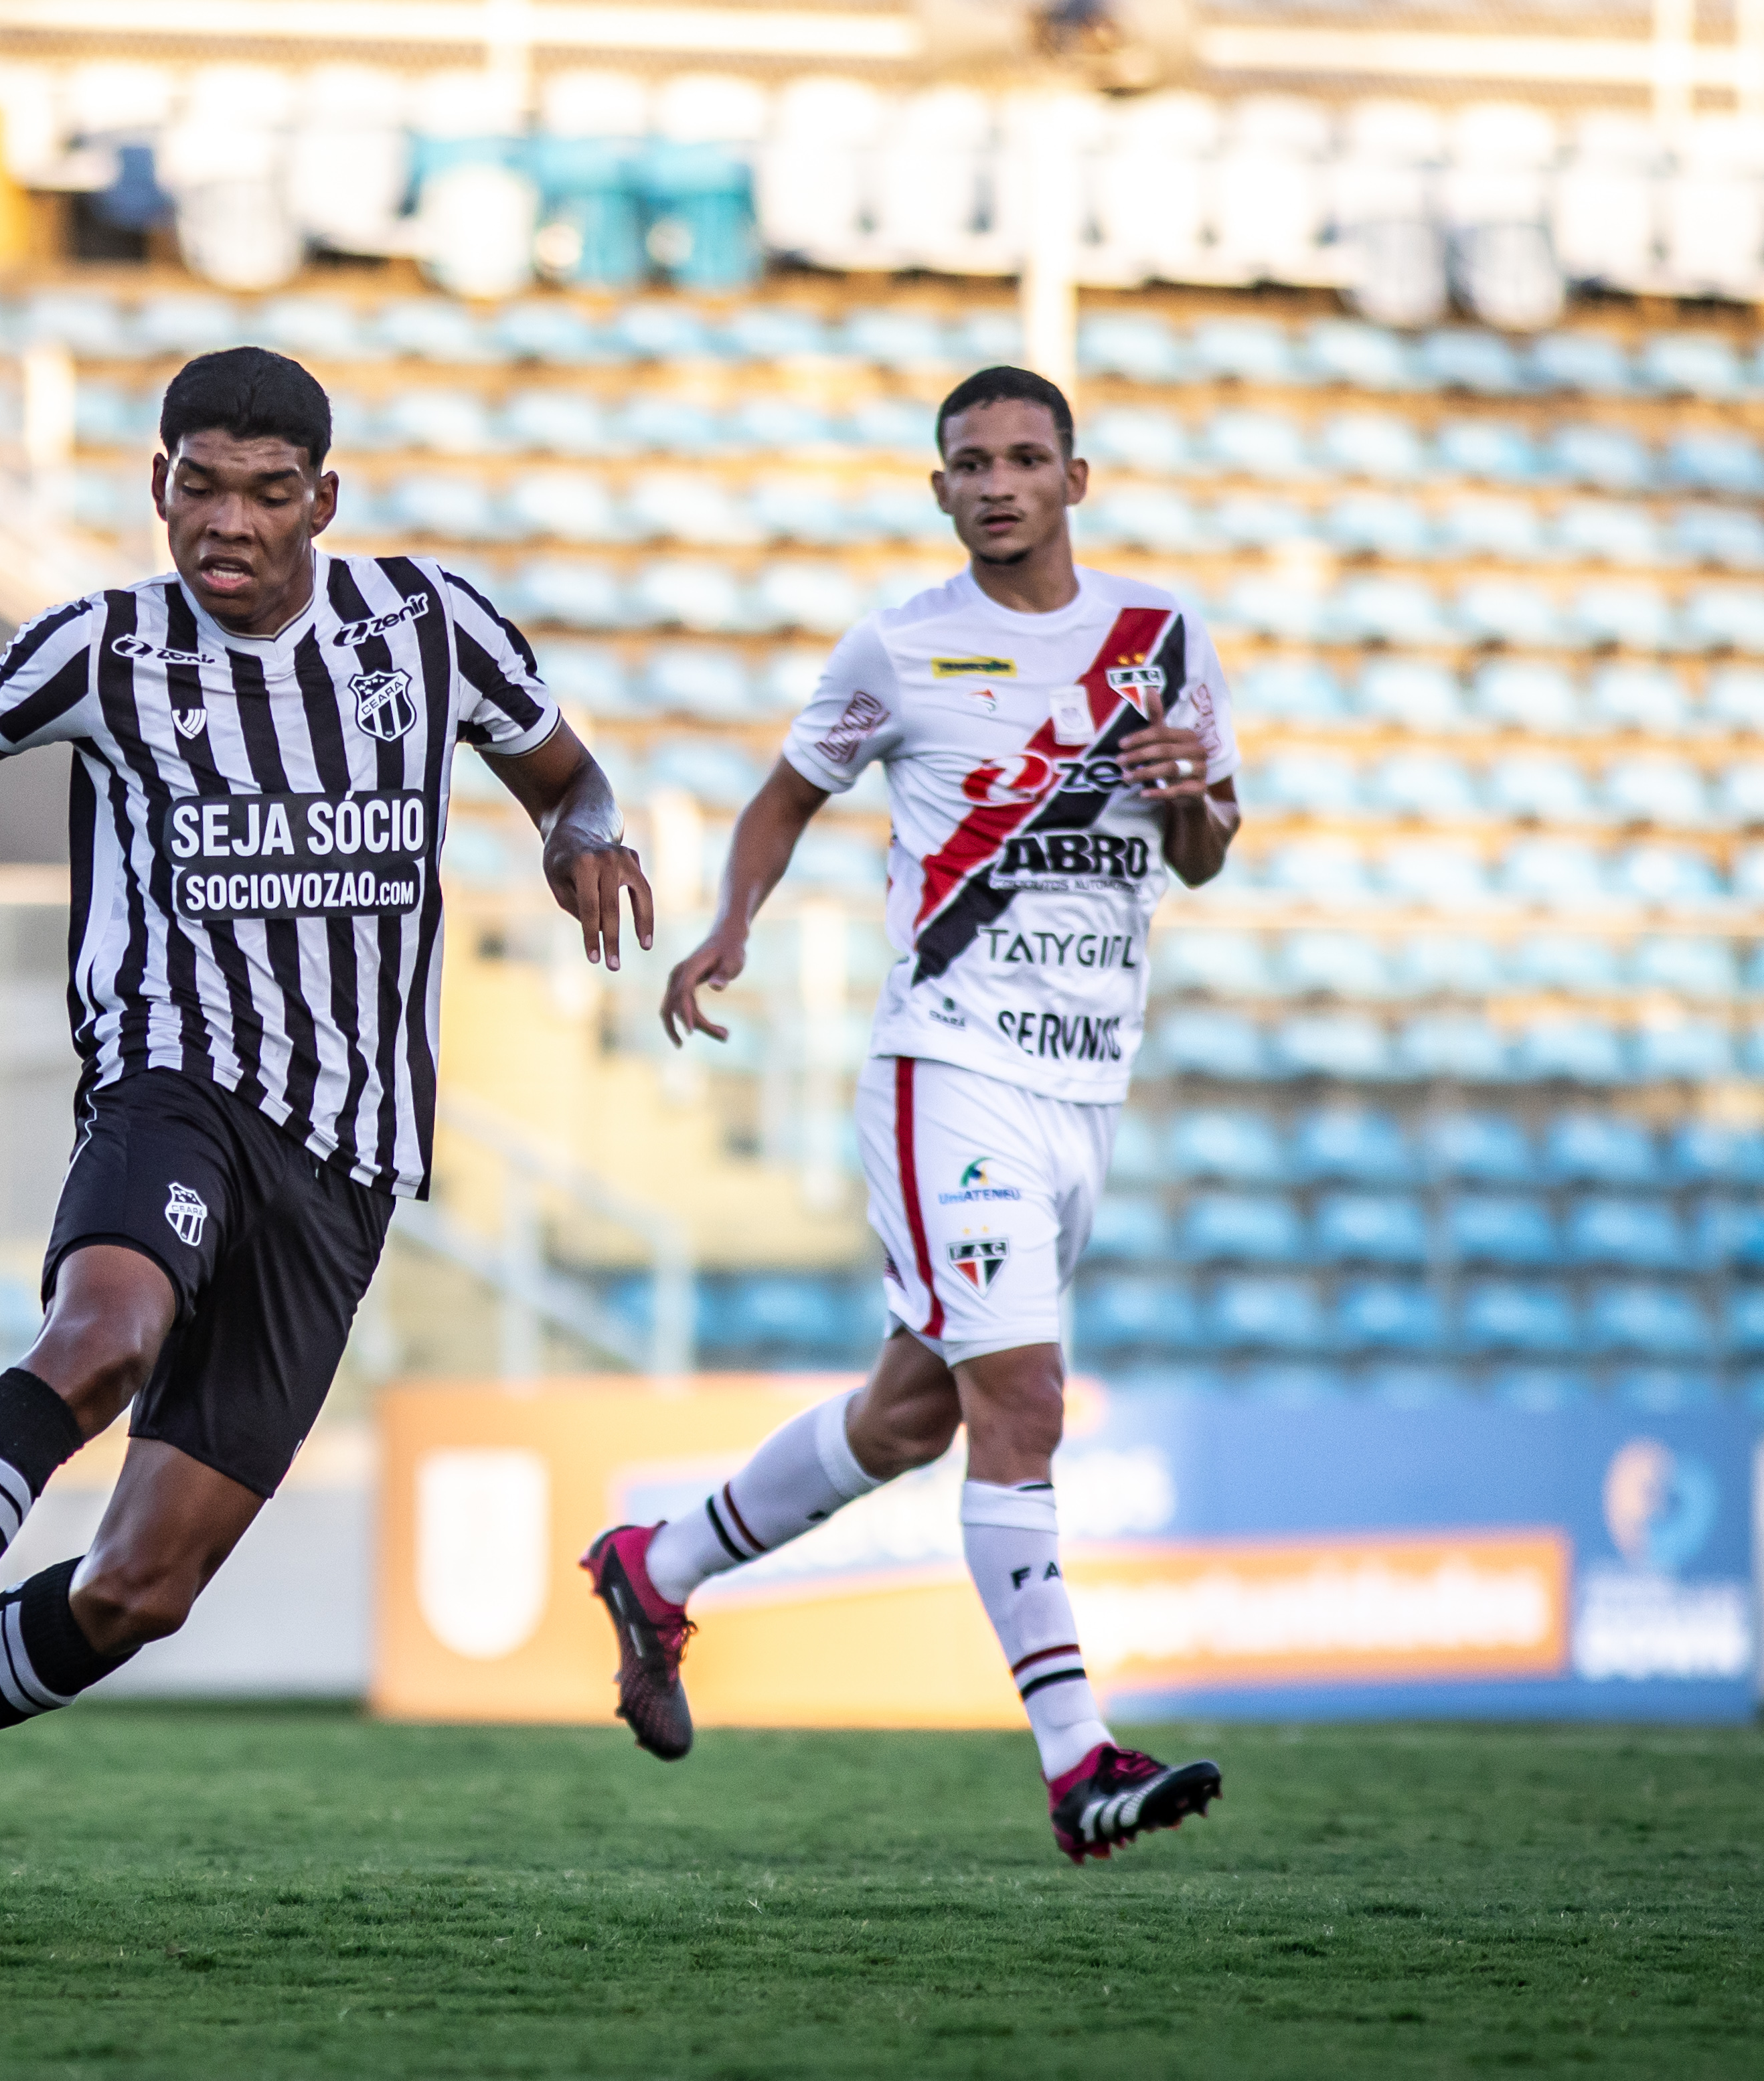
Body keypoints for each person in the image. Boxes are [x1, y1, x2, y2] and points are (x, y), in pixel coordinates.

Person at [0, 345, 653, 1940]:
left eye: (266, 494)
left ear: (322, 500)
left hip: (348, 1155)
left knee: (142, 1588)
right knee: (102, 1337)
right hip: (169, 1083)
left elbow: (567, 775)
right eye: (199, 487)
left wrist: (586, 836)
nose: (229, 523)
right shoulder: (103, 647)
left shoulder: (431, 629)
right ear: (157, 485)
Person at [580, 365, 1242, 1865]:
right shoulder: (900, 646)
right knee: (1022, 1401)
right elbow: (783, 794)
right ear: (938, 488)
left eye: (1023, 458)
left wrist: (1185, 794)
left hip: (1086, 1081)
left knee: (910, 1413)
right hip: (948, 1068)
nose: (996, 483)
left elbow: (1204, 849)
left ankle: (655, 1564)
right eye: (969, 463)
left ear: (1075, 478)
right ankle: (1077, 1762)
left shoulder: (1161, 639)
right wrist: (730, 925)